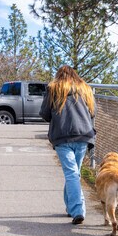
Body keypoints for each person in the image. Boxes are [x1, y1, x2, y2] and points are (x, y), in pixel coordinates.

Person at [39, 65, 96, 225]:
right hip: (83, 135)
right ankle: (71, 208)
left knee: (72, 174)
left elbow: (44, 114)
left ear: (58, 76)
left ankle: (78, 210)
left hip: (62, 137)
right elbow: (93, 112)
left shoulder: (54, 88)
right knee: (74, 173)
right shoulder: (85, 88)